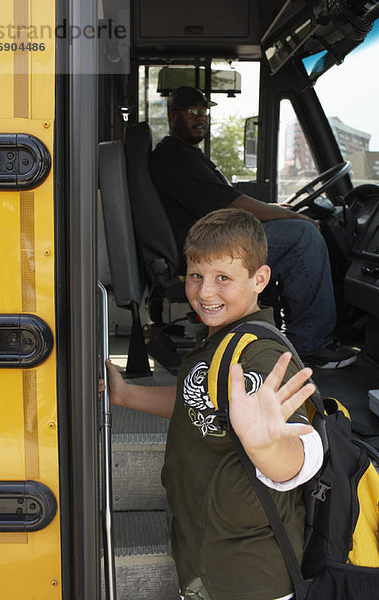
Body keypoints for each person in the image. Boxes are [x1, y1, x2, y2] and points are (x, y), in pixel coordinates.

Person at [105, 208, 324, 600]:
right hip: (204, 555)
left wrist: (268, 448)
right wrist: (125, 395)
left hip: (249, 573)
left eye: (223, 278)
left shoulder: (260, 356)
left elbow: (303, 454)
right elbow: (197, 400)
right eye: (196, 276)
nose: (204, 292)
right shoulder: (222, 342)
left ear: (259, 280)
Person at [149, 86, 357, 369]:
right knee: (303, 237)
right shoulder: (175, 156)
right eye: (192, 111)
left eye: (204, 112)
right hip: (209, 248)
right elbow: (230, 204)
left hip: (213, 238)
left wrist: (277, 210)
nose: (201, 118)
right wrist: (293, 217)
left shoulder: (184, 154)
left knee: (295, 226)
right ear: (173, 116)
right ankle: (311, 344)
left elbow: (225, 199)